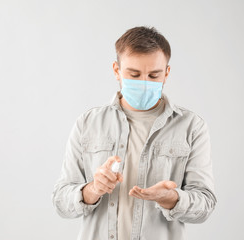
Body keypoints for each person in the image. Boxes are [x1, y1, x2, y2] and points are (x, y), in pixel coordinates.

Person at [51, 26, 217, 240]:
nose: (144, 83)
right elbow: (61, 202)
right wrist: (93, 190)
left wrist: (171, 198)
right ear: (116, 70)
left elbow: (205, 204)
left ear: (166, 73)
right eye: (134, 74)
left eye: (154, 75)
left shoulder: (192, 127)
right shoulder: (87, 123)